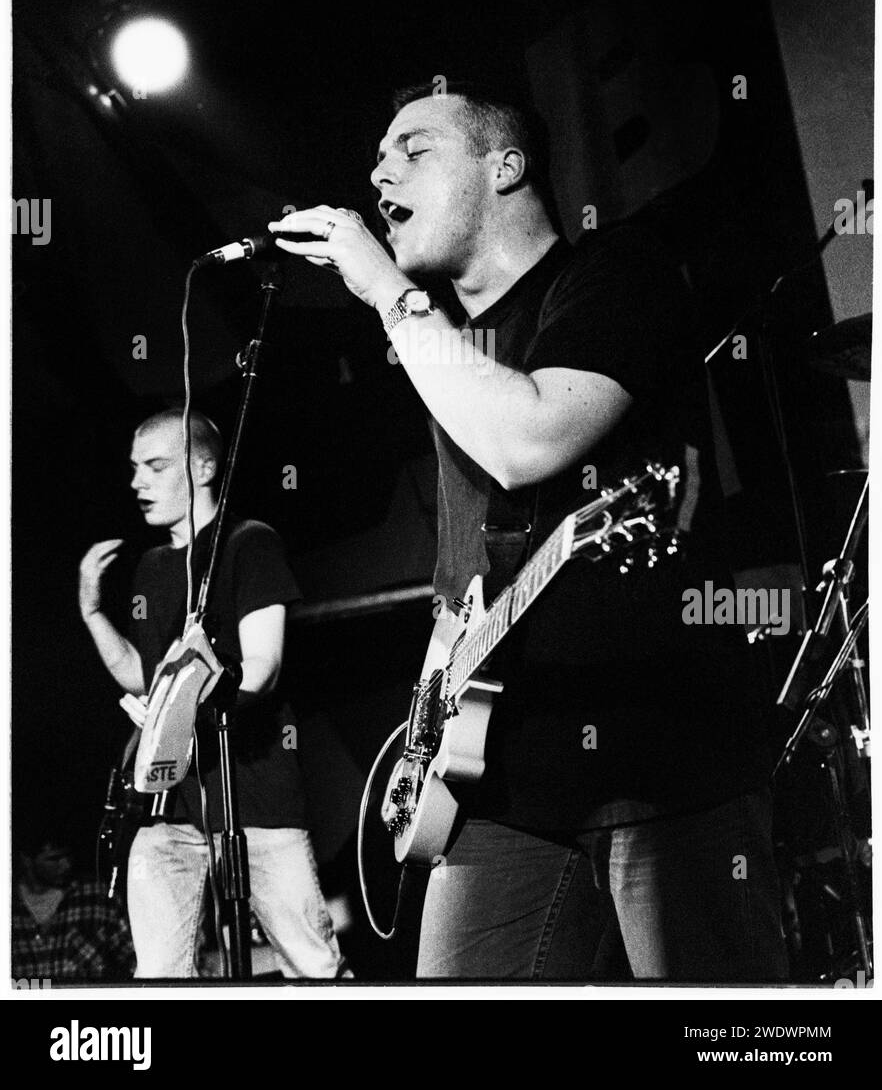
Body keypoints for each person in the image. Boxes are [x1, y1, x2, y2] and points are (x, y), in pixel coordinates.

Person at [269, 81, 789, 981]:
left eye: (414, 149)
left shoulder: (616, 274)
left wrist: (385, 292)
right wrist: (431, 712)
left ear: (505, 167)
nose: (377, 171)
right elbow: (463, 578)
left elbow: (530, 439)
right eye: (379, 154)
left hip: (657, 757)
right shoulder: (455, 347)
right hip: (500, 783)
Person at [79, 408, 348, 979]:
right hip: (169, 806)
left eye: (154, 466)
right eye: (134, 469)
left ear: (203, 468)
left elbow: (262, 667)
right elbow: (140, 674)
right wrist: (92, 611)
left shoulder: (249, 543)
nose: (136, 484)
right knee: (159, 975)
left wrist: (183, 703)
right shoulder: (151, 566)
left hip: (253, 796)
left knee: (312, 965)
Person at [13, 825, 134, 983]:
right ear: (27, 860)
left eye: (67, 857)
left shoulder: (96, 896)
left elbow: (134, 957)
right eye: (54, 859)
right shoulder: (10, 905)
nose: (66, 865)